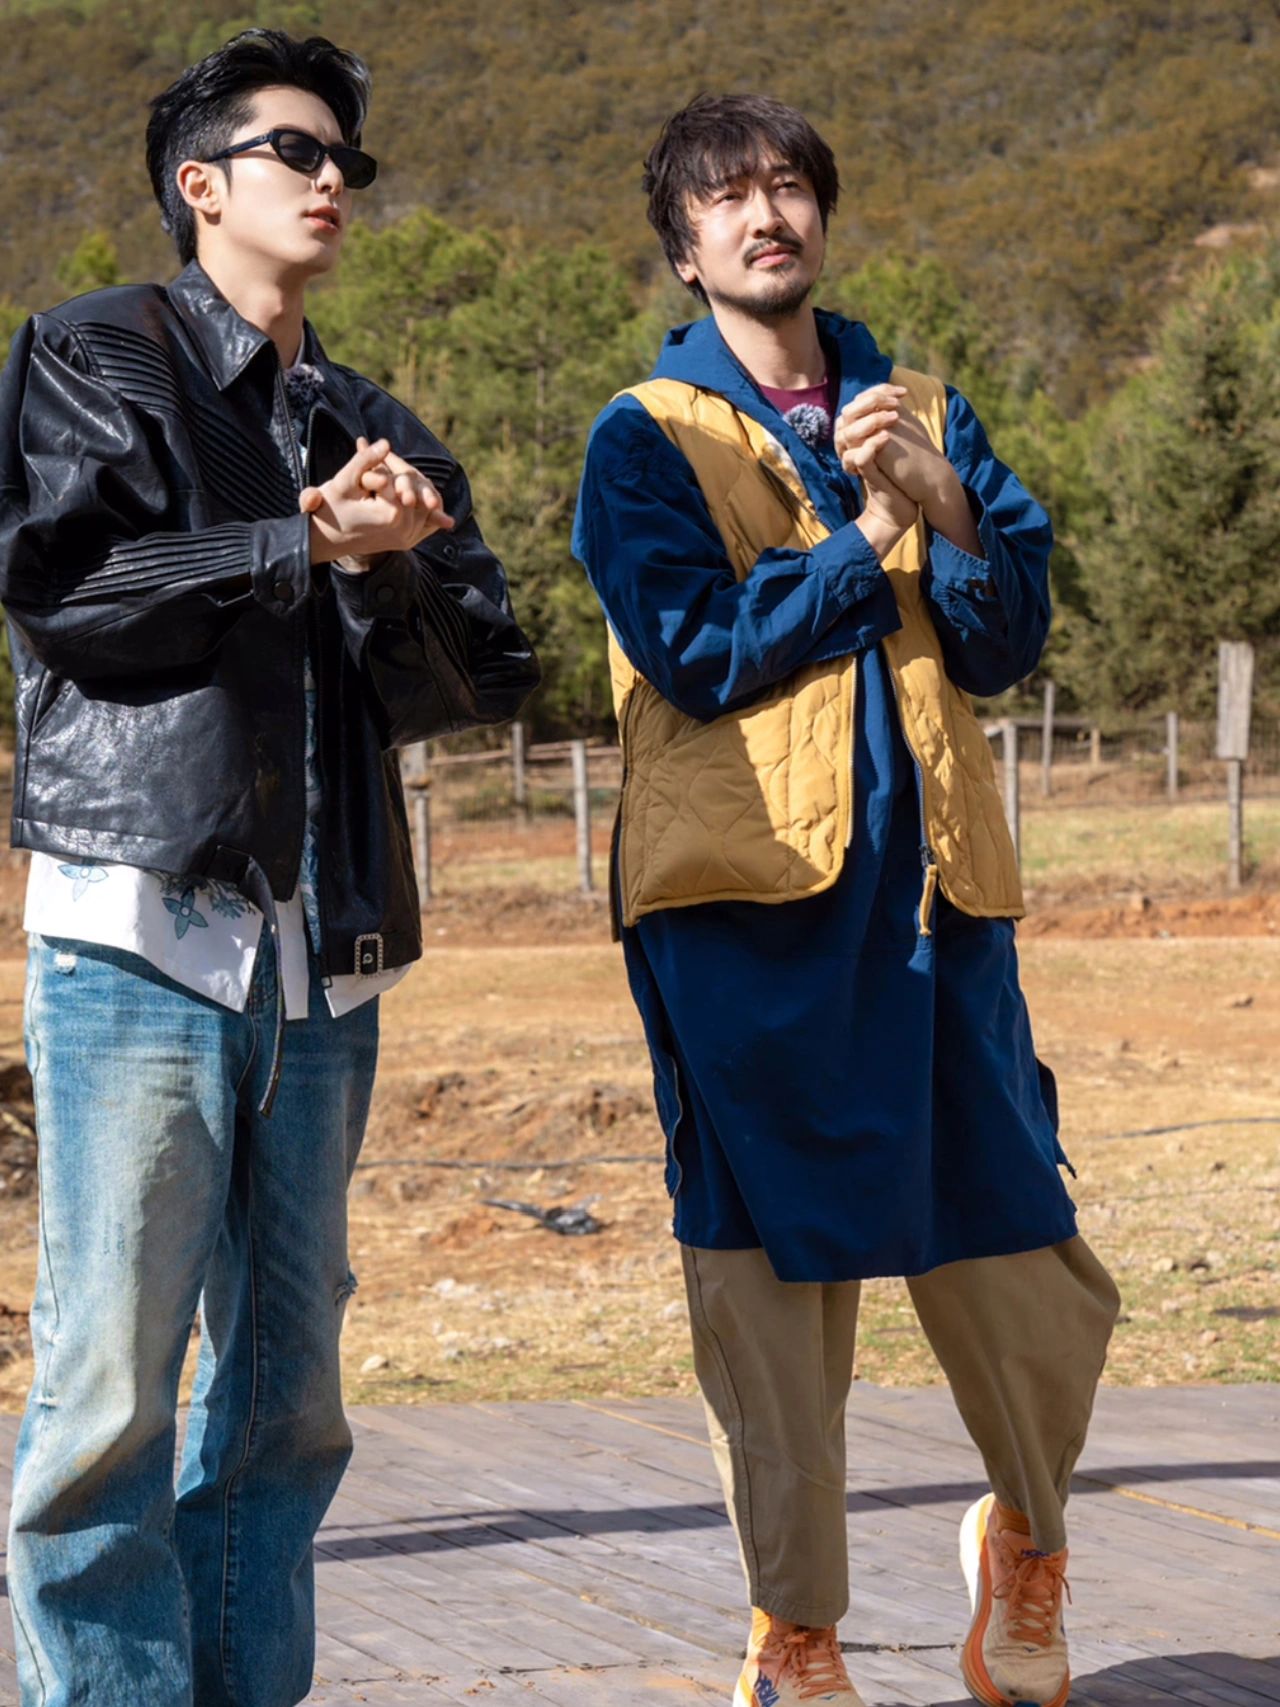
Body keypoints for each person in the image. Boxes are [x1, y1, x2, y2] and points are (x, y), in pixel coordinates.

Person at [0, 28, 537, 1707]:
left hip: (327, 963)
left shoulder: (370, 423)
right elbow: (72, 598)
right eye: (295, 151)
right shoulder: (94, 354)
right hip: (139, 933)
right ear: (200, 183)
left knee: (288, 1402)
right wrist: (295, 537)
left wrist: (383, 570)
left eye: (346, 161)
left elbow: (481, 677)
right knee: (111, 1386)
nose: (331, 181)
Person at [573, 93, 1119, 1707]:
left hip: (942, 906)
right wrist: (872, 533)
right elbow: (695, 653)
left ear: (822, 215)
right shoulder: (645, 434)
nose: (767, 216)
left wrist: (945, 500)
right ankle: (795, 1632)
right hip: (742, 919)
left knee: (1025, 1255)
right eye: (728, 199)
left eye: (789, 188)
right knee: (772, 1284)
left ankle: (1026, 1543)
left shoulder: (922, 408)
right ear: (685, 249)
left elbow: (1006, 637)